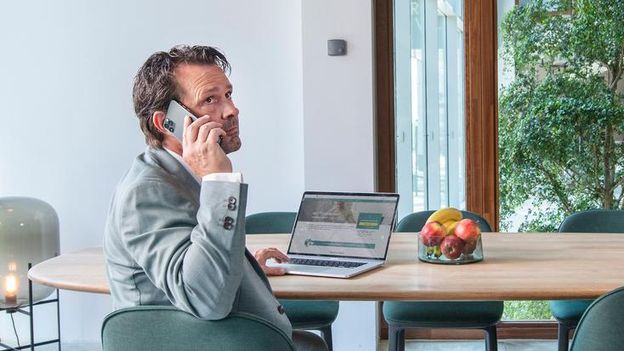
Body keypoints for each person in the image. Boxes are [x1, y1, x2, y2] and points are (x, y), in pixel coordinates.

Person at [103, 45, 326, 351]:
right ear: (167, 122)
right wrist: (219, 181)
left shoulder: (178, 176)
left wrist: (246, 265)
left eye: (228, 95)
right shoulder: (145, 191)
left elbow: (193, 256)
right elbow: (204, 299)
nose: (231, 110)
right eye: (210, 99)